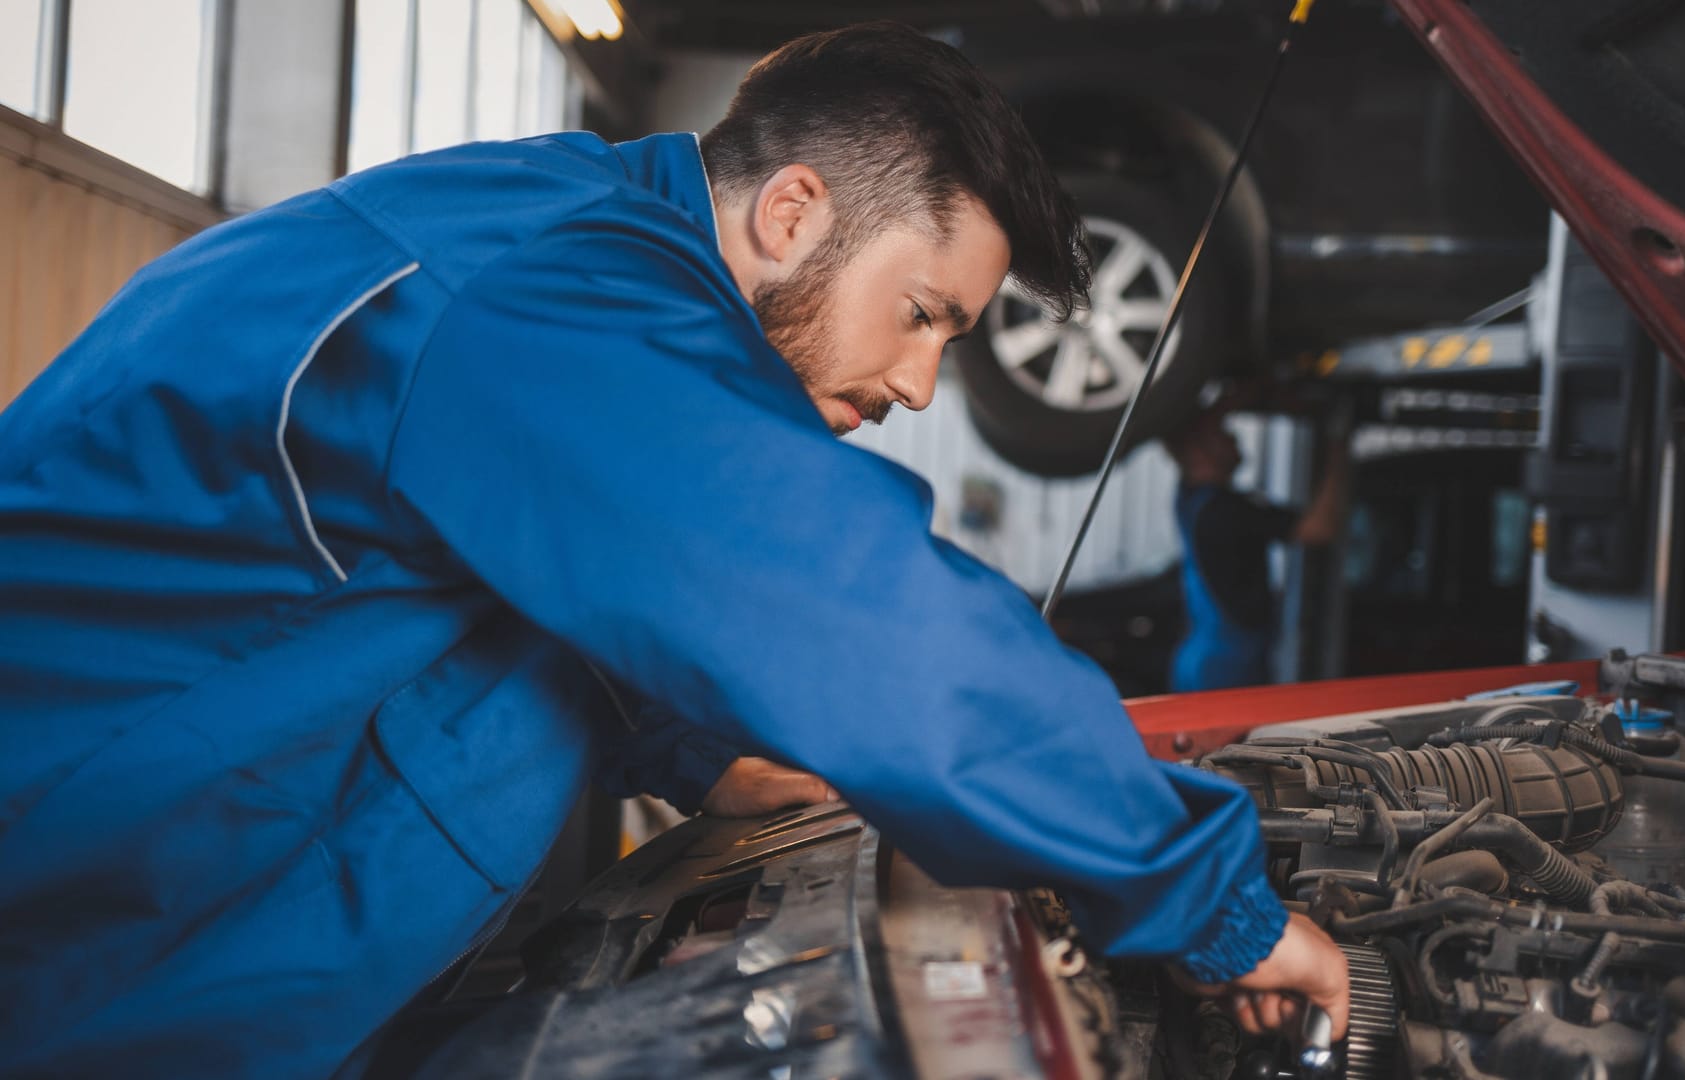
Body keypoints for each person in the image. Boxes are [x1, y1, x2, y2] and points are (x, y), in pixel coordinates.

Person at [0, 23, 1346, 1075]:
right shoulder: (548, 300)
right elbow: (845, 609)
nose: (925, 386)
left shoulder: (563, 247)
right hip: (76, 938)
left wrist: (700, 750)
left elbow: (469, 599)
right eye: (925, 314)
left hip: (171, 915)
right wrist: (1208, 901)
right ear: (794, 213)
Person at [1166, 403, 1348, 692]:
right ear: (1198, 452)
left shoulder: (1188, 498)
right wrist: (1340, 452)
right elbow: (1319, 529)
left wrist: (1238, 396)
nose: (1233, 439)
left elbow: (1194, 430)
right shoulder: (1228, 511)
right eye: (1222, 435)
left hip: (1198, 659)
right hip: (1227, 667)